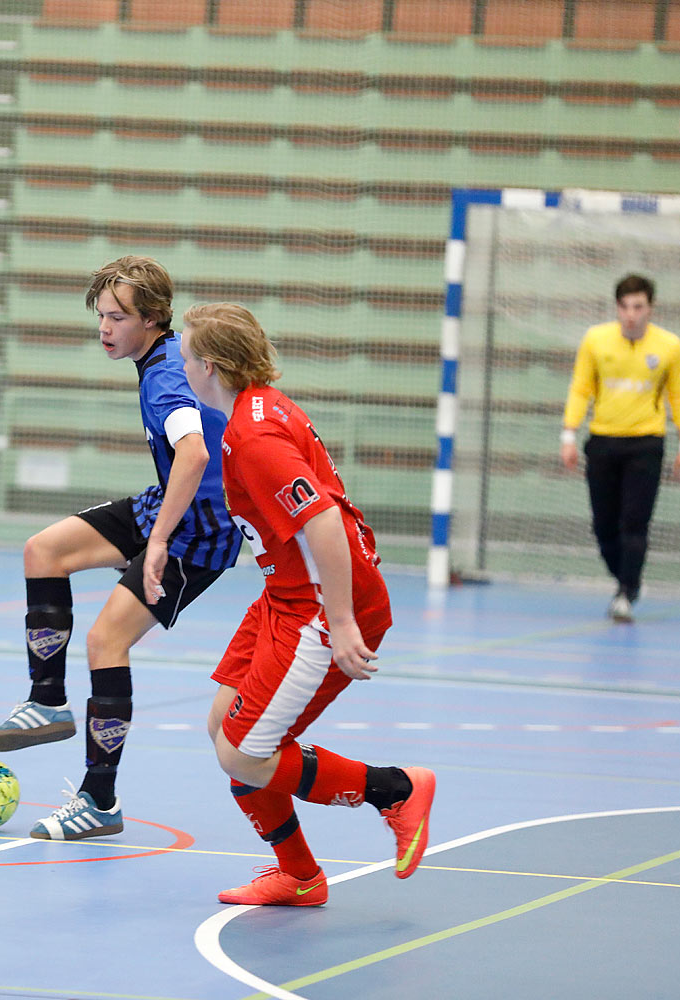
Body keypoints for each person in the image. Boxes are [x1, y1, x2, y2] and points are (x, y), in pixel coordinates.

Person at [178, 302, 435, 907]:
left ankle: (394, 790)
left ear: (209, 365)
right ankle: (299, 875)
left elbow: (321, 521)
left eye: (185, 356)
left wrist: (342, 622)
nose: (180, 365)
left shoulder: (254, 435)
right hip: (283, 595)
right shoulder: (257, 405)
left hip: (318, 608)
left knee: (244, 753)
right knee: (224, 728)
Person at [0, 256, 242, 841]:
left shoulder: (168, 375)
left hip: (197, 534)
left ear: (153, 318)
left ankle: (98, 800)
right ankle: (47, 700)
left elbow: (195, 454)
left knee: (106, 642)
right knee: (43, 551)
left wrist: (154, 544)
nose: (104, 328)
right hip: (168, 504)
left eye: (117, 317)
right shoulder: (159, 360)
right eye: (100, 315)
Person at [561, 273, 680, 623]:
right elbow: (580, 388)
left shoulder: (669, 347)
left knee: (634, 522)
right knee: (604, 526)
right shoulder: (595, 340)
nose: (631, 314)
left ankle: (626, 592)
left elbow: (679, 395)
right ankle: (626, 579)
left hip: (646, 444)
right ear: (616, 308)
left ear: (650, 308)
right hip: (603, 441)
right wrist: (569, 435)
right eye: (624, 306)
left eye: (638, 306)